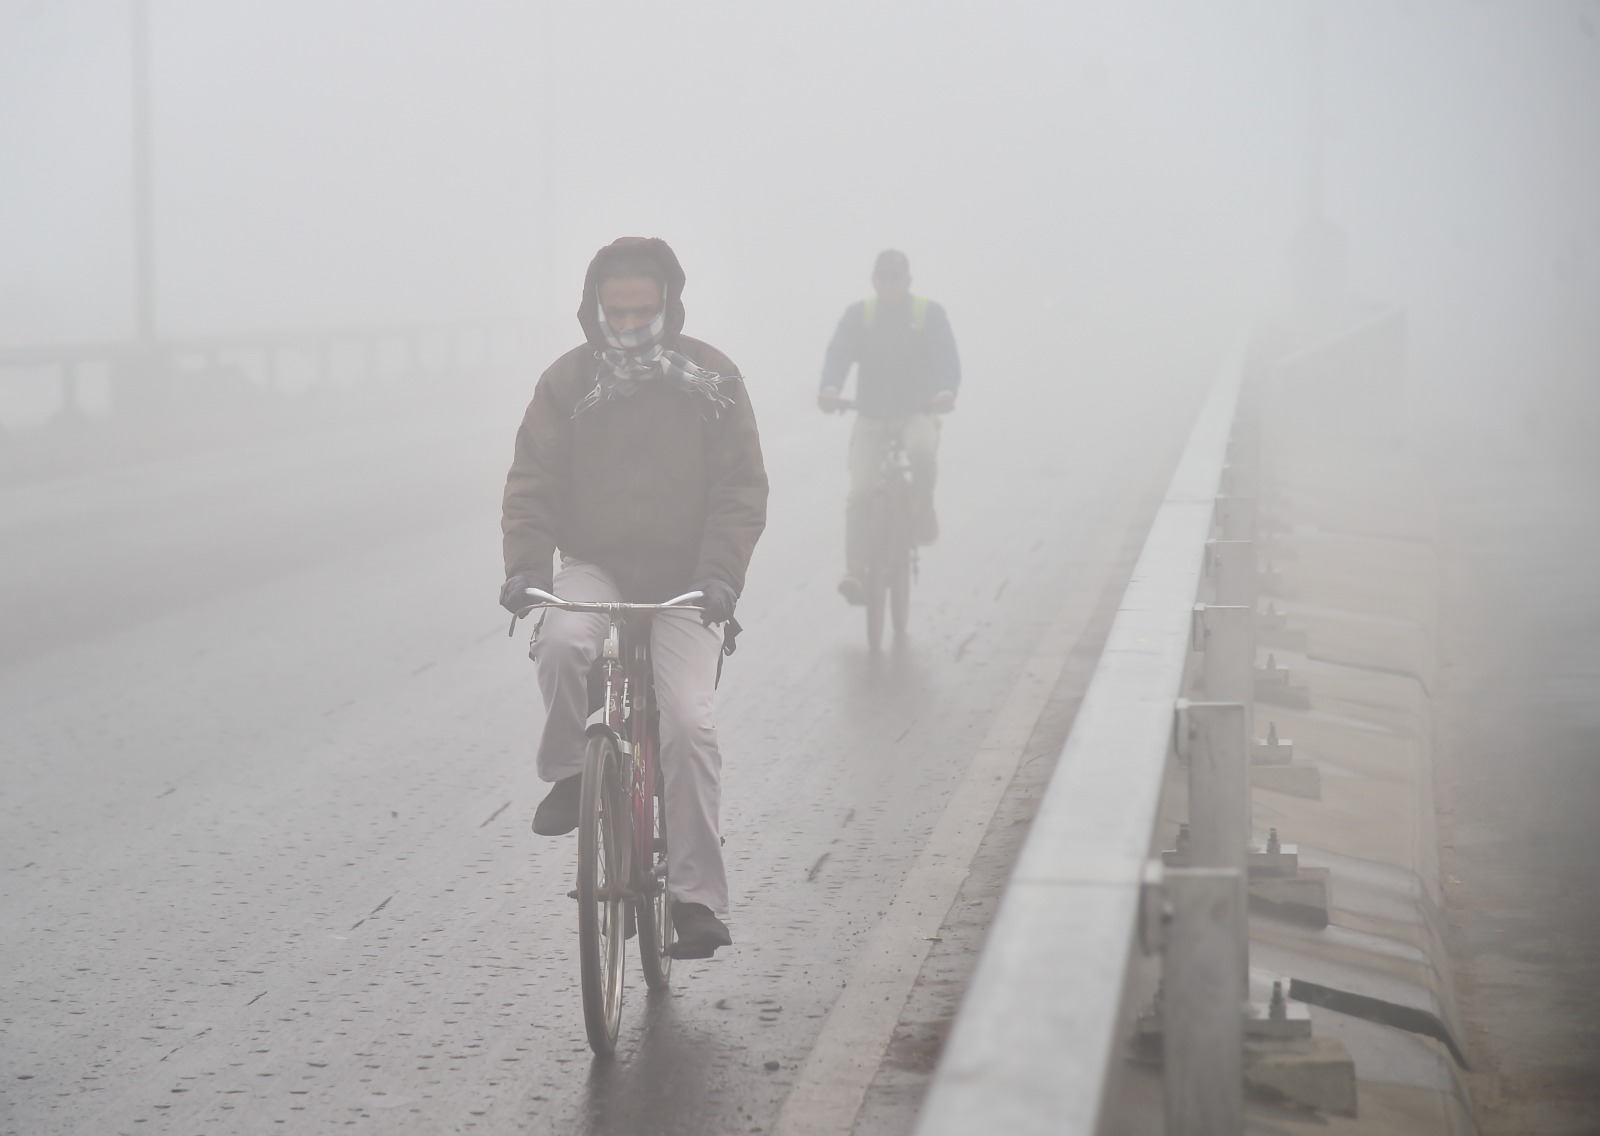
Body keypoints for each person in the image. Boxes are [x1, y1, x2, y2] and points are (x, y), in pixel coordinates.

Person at [499, 237, 768, 958]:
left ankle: (697, 901)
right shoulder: (567, 383)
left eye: (642, 311)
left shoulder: (712, 379)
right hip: (598, 566)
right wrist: (526, 569)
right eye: (614, 311)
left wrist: (720, 577)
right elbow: (531, 485)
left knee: (689, 722)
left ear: (669, 306)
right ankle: (567, 773)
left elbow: (740, 491)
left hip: (689, 583)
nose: (627, 324)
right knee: (560, 642)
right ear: (594, 308)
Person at [817, 249, 960, 605]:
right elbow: (838, 354)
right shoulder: (860, 316)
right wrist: (831, 388)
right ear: (874, 280)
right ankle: (855, 572)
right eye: (883, 277)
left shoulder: (928, 314)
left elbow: (946, 357)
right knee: (860, 492)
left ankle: (923, 506)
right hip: (870, 416)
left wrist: (945, 391)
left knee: (922, 451)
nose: (889, 283)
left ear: (908, 281)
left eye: (895, 277)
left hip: (916, 411)